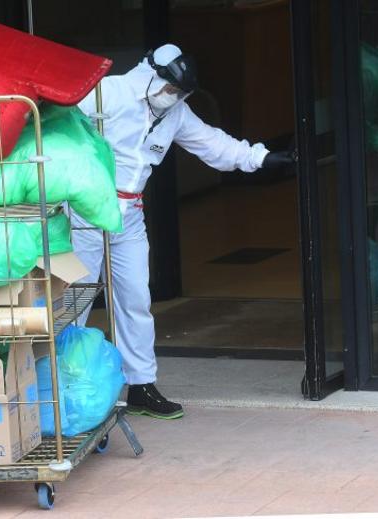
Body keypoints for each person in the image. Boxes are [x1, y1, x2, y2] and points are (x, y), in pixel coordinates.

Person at [74, 43, 292, 420]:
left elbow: (212, 143)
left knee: (135, 298)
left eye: (179, 94)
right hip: (83, 212)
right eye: (170, 90)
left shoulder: (175, 113)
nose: (171, 98)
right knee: (72, 301)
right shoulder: (106, 92)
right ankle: (61, 382)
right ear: (151, 74)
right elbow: (57, 126)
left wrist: (261, 158)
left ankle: (141, 384)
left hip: (128, 214)